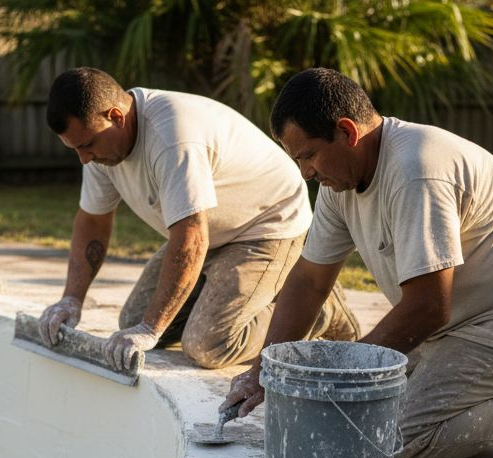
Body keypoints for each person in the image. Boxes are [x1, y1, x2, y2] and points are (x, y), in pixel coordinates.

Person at [222, 68, 493, 458]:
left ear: (347, 132)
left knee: (396, 440)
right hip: (454, 327)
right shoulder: (338, 183)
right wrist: (262, 369)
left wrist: (347, 375)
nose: (306, 173)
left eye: (308, 155)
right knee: (358, 416)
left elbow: (429, 306)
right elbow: (309, 281)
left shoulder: (416, 171)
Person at [37, 67, 358, 373]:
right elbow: (93, 221)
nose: (84, 158)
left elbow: (191, 238)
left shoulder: (172, 137)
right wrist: (71, 299)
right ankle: (271, 294)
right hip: (212, 229)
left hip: (268, 225)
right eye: (76, 149)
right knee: (132, 322)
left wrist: (151, 327)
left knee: (208, 344)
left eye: (87, 145)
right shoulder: (101, 150)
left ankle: (319, 312)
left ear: (116, 117)